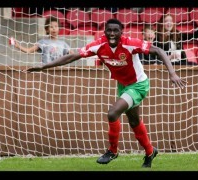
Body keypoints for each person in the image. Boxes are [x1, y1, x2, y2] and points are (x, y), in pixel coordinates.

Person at [25, 19, 187, 168]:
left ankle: (113, 151)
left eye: (115, 30)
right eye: (109, 30)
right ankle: (150, 152)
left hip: (138, 85)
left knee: (112, 113)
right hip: (123, 86)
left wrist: (172, 73)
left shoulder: (130, 43)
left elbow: (158, 50)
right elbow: (73, 56)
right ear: (104, 32)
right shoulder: (99, 45)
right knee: (134, 121)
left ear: (121, 32)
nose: (112, 33)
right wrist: (44, 66)